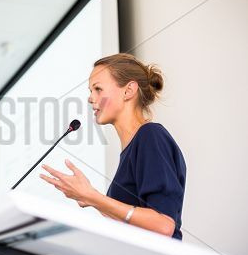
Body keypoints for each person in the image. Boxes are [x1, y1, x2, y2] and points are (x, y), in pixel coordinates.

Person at [39, 53, 186, 240]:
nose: (90, 98)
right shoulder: (132, 148)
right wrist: (90, 199)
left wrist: (93, 197)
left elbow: (163, 225)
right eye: (90, 91)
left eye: (98, 89)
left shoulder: (150, 136)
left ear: (128, 91)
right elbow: (132, 227)